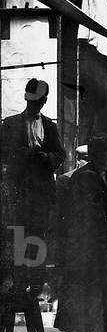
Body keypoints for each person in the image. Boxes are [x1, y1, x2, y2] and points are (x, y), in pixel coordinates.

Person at [60, 135, 107, 332]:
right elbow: (90, 221)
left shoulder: (103, 176)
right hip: (84, 256)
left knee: (92, 307)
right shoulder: (87, 178)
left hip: (90, 257)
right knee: (82, 309)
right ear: (100, 154)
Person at [0, 78, 66, 281]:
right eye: (30, 102)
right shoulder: (10, 124)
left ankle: (35, 284)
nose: (33, 105)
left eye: (37, 102)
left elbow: (60, 154)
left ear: (44, 101)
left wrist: (47, 158)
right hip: (18, 193)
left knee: (39, 237)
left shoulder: (50, 126)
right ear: (26, 99)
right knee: (19, 235)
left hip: (41, 196)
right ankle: (20, 282)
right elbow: (2, 152)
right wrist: (22, 154)